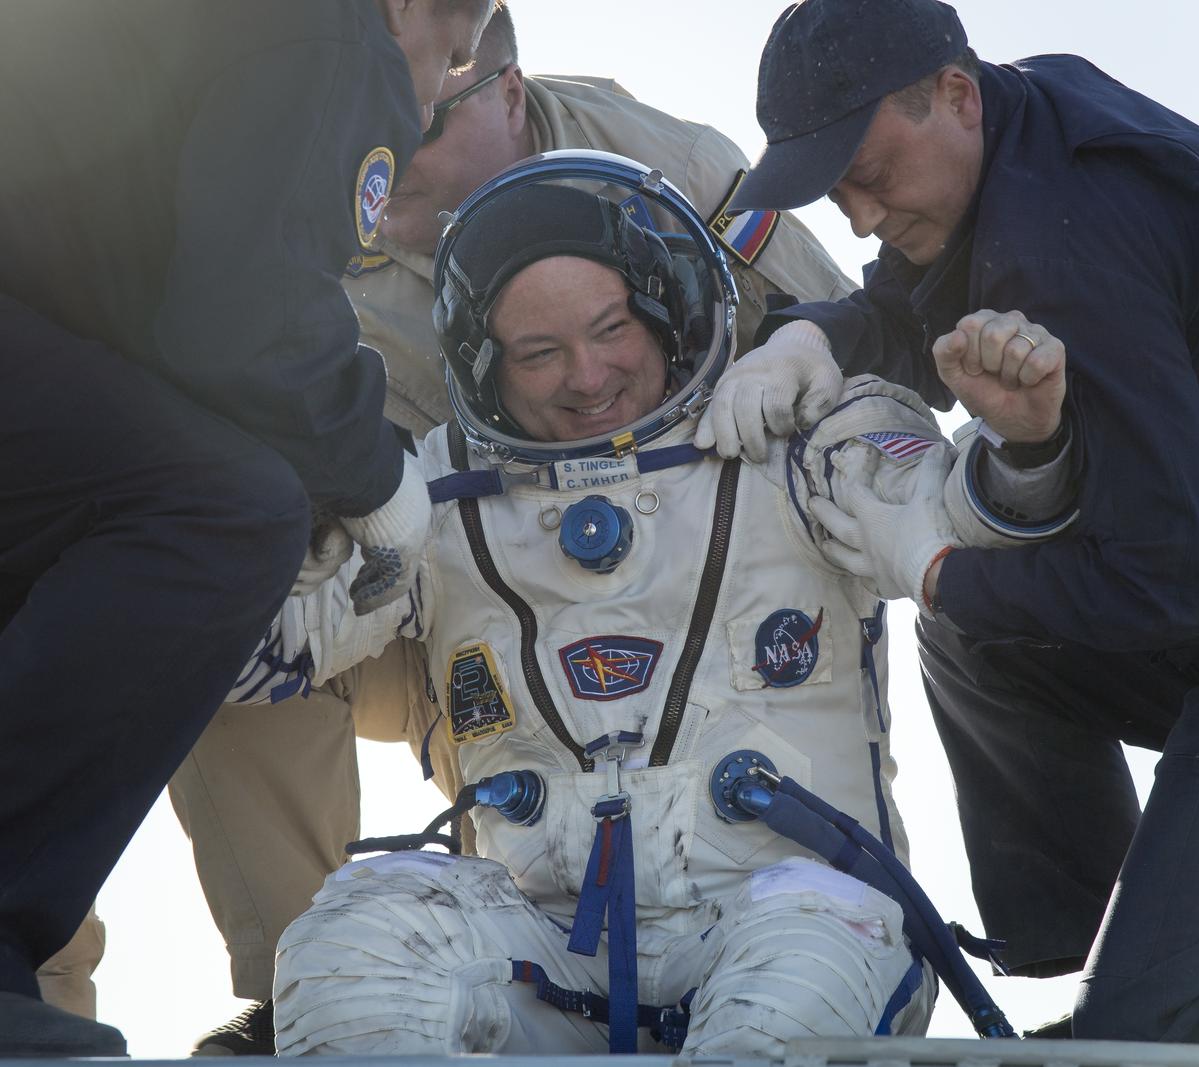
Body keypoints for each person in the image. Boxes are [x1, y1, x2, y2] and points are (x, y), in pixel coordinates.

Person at [230, 153, 1077, 1055]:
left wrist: (1028, 442)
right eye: (539, 352)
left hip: (798, 916)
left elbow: (966, 528)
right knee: (354, 942)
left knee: (784, 994)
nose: (587, 376)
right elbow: (254, 649)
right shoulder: (428, 498)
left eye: (611, 329)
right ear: (485, 363)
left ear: (667, 312)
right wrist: (249, 511)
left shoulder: (798, 439)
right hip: (548, 943)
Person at [172, 5, 862, 1055]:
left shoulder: (666, 169)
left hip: (706, 628)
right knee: (206, 627)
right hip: (444, 602)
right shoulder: (302, 200)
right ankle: (299, 989)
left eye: (421, 124)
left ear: (504, 91)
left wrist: (804, 366)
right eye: (358, 115)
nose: (382, 152)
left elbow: (860, 353)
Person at [710, 0, 1199, 1045]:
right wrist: (817, 336)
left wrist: (934, 569)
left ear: (954, 96)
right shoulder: (1024, 120)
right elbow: (903, 300)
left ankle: (1155, 978)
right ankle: (1110, 931)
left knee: (1168, 1024)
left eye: (868, 174)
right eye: (836, 187)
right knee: (977, 638)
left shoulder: (1064, 244)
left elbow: (1171, 585)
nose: (859, 216)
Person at [0, 0, 493, 1055]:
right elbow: (244, 321)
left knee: (102, 514)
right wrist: (371, 475)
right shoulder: (334, 34)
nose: (425, 100)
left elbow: (168, 318)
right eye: (447, 60)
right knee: (221, 513)